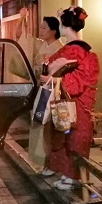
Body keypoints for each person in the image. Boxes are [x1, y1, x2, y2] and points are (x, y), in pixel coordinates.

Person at [41, 5, 100, 191]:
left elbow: (75, 79)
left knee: (70, 137)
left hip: (73, 100)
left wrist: (51, 77)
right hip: (77, 101)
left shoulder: (73, 50)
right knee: (69, 136)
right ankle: (69, 174)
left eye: (59, 23)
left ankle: (74, 177)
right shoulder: (83, 50)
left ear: (64, 26)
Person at [24, 16, 65, 174]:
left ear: (54, 31)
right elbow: (21, 37)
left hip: (52, 92)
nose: (40, 31)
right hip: (40, 90)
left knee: (49, 128)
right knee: (38, 125)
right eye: (40, 28)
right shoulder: (41, 45)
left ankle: (49, 163)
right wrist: (22, 19)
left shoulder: (59, 48)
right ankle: (39, 161)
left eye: (44, 28)